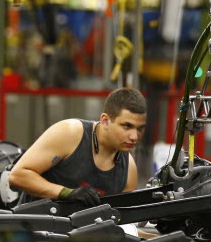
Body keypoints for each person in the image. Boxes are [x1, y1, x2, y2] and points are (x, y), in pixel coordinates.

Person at [8, 87, 146, 206]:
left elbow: (122, 222)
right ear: (105, 121)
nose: (134, 136)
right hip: (33, 231)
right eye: (126, 126)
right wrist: (67, 193)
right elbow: (17, 176)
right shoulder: (70, 133)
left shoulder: (128, 171)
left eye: (140, 129)